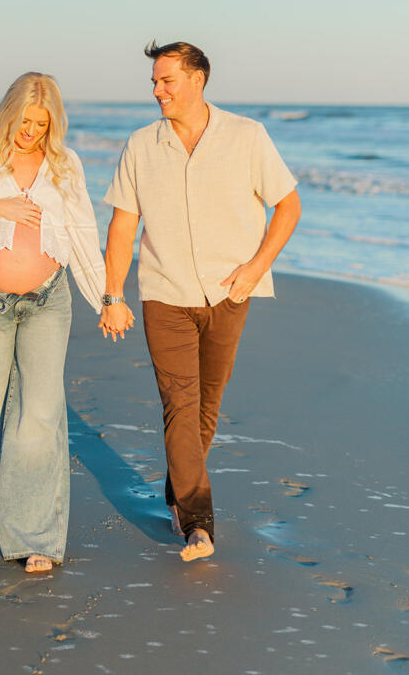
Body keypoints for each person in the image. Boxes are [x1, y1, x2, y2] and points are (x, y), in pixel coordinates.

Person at [99, 41, 301, 562]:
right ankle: (198, 524)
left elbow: (289, 204)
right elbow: (123, 224)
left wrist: (256, 269)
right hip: (164, 295)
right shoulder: (141, 145)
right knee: (180, 406)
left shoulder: (246, 136)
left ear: (197, 80)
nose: (157, 90)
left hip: (230, 293)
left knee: (207, 406)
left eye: (166, 81)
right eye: (153, 81)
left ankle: (176, 493)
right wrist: (111, 294)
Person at [0, 72, 113, 573]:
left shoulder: (64, 163)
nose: (31, 131)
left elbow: (80, 233)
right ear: (8, 111)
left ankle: (35, 535)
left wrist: (107, 298)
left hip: (47, 300)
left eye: (42, 123)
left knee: (39, 414)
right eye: (25, 120)